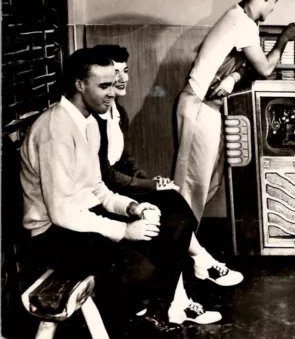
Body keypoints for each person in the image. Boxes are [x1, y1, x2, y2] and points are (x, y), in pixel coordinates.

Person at [20, 47, 195, 338]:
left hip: (80, 218)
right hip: (52, 234)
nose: (113, 93)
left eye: (113, 84)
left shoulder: (87, 122)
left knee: (175, 224)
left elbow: (97, 187)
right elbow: (61, 213)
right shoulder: (55, 131)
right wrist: (125, 231)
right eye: (103, 86)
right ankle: (124, 325)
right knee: (137, 269)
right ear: (79, 84)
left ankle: (154, 314)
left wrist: (131, 208)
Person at [173, 0, 295, 279]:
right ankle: (179, 262)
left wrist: (232, 78)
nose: (273, 8)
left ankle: (189, 257)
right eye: (274, 1)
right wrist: (285, 37)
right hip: (197, 108)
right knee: (190, 191)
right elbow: (266, 69)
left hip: (209, 110)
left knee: (208, 185)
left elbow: (239, 64)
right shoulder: (241, 22)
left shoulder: (241, 19)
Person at [91, 44, 226, 325]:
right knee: (171, 222)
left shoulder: (118, 112)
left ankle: (178, 299)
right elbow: (105, 177)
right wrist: (149, 187)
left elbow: (126, 161)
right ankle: (182, 293)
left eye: (125, 71)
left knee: (177, 205)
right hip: (101, 199)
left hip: (119, 189)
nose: (122, 78)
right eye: (114, 72)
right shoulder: (94, 119)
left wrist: (153, 182)